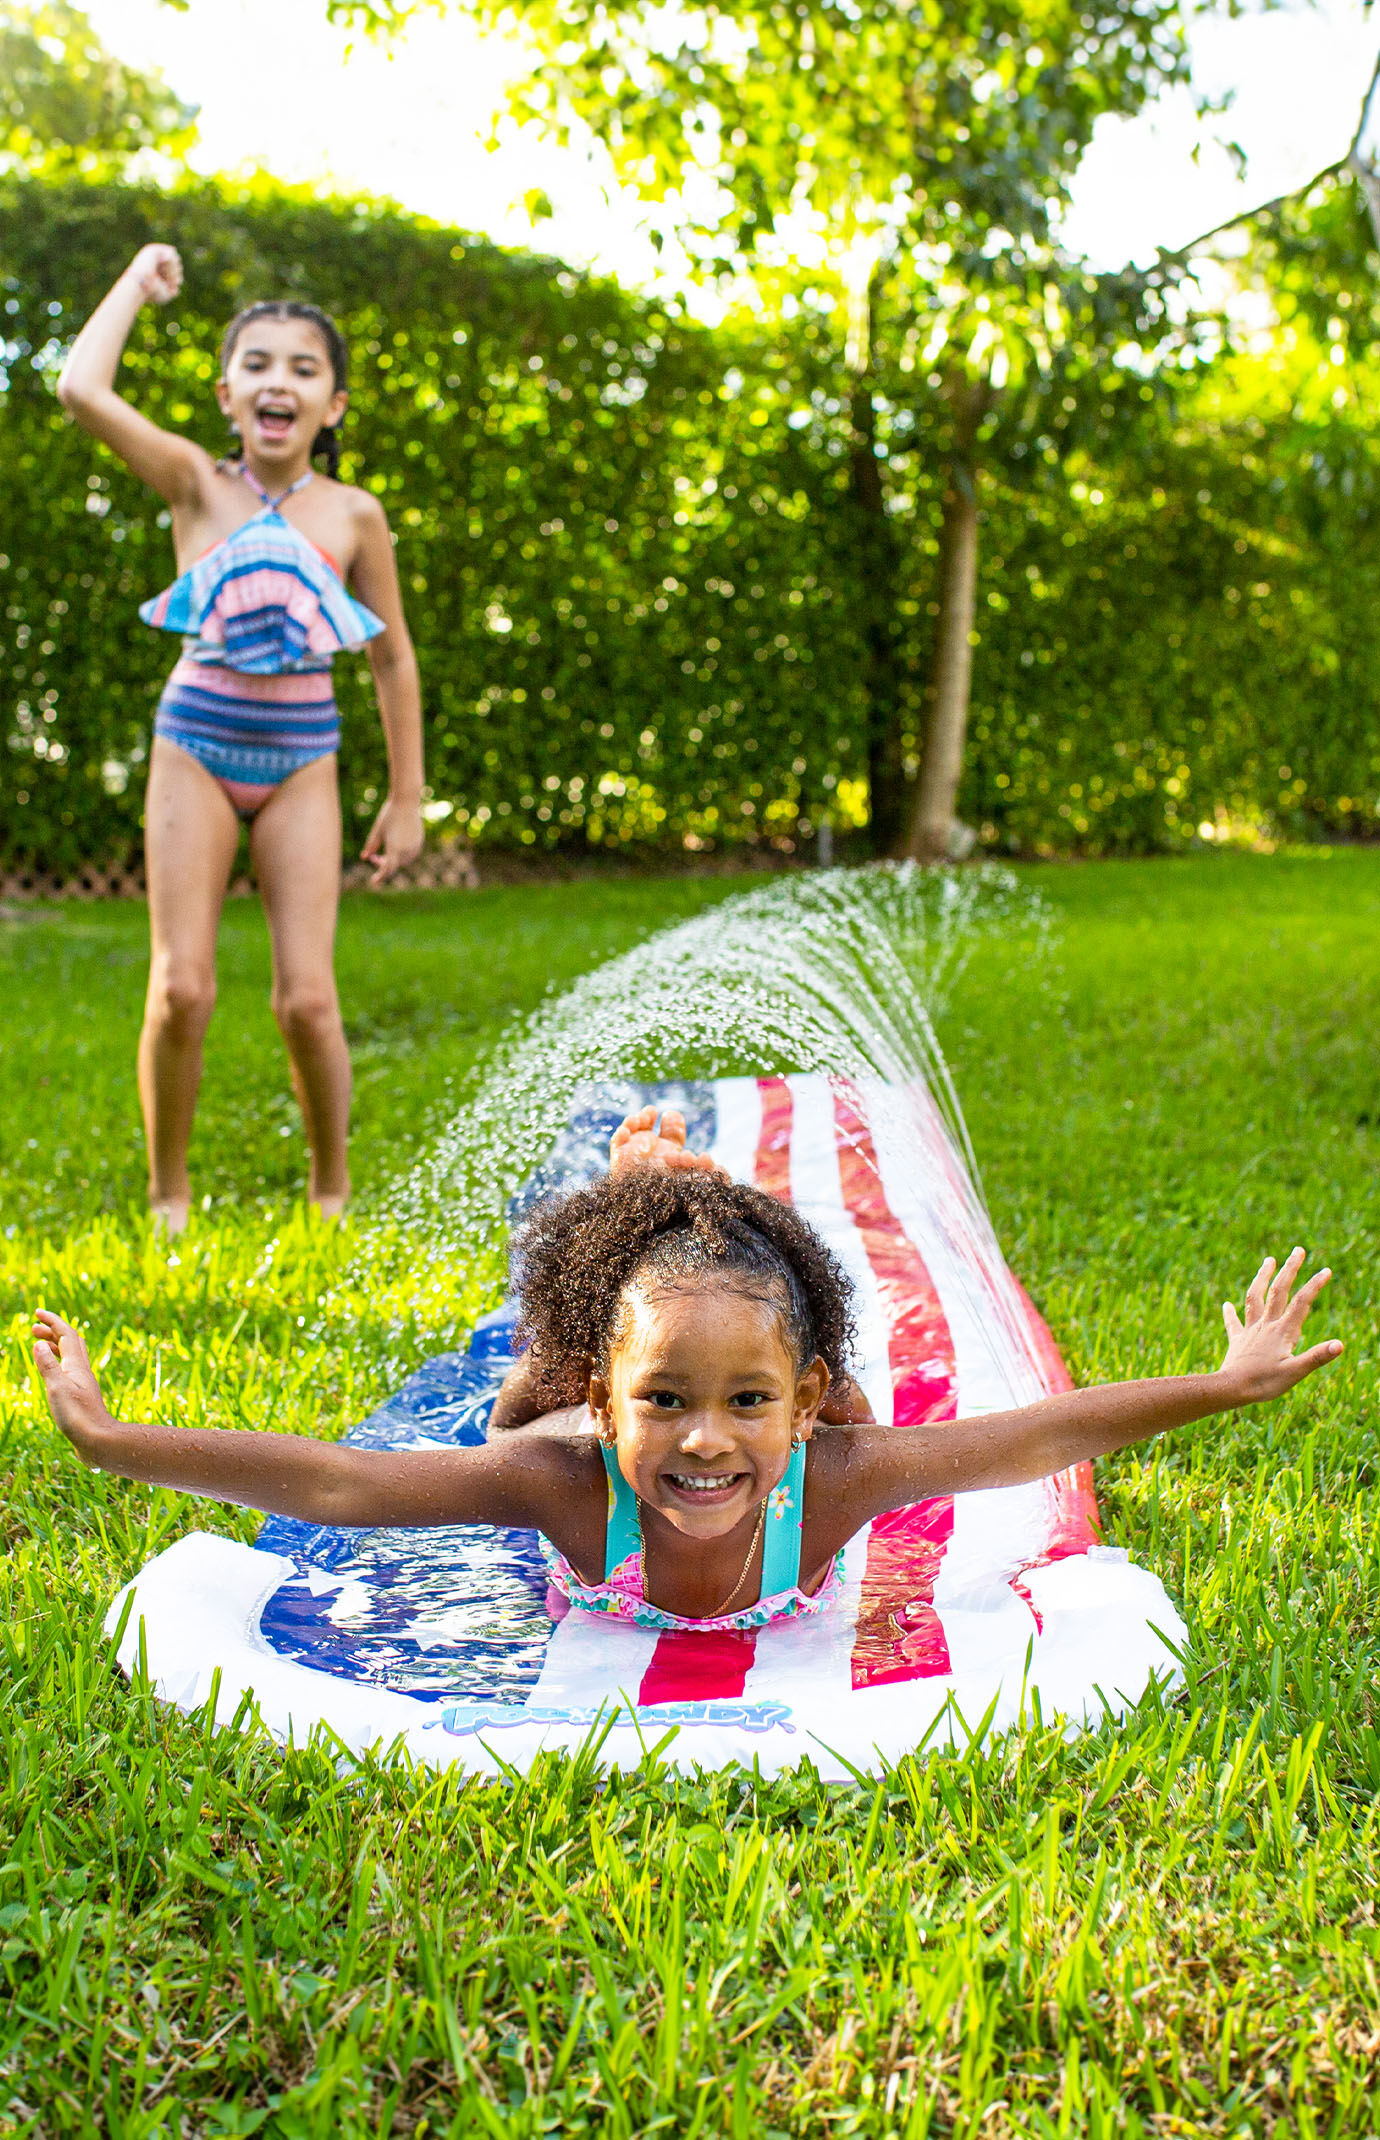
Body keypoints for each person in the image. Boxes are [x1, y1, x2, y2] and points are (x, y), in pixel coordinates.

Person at [33, 1106, 1343, 1633]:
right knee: (518, 1393)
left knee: (726, 1308)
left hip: (740, 1388)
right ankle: (640, 1203)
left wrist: (1221, 1385)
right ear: (617, 1407)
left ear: (806, 1407)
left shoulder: (835, 1472)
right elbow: (346, 1484)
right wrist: (110, 1437)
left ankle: (677, 1208)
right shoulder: (563, 1476)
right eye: (665, 1401)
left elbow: (1037, 1437)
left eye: (748, 1405)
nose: (706, 1444)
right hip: (564, 1395)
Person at [56, 244, 426, 1231]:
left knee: (306, 999)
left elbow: (392, 660)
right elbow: (79, 387)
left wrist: (406, 794)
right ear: (228, 395)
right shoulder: (191, 482)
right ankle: (169, 1196)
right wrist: (134, 280)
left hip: (304, 762)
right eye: (259, 363)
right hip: (196, 752)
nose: (280, 381)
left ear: (333, 405)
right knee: (181, 986)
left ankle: (330, 1189)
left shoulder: (355, 514)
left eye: (304, 367)